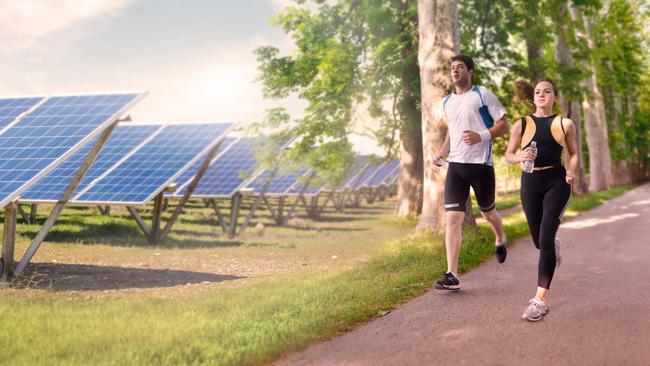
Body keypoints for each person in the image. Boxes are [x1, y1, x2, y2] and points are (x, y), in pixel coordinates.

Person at [431, 55, 510, 291]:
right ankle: (452, 275)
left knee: (489, 213)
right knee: (453, 218)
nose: (455, 71)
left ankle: (500, 237)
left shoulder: (482, 94)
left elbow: (503, 124)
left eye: (460, 67)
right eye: (452, 68)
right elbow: (451, 133)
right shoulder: (447, 102)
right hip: (456, 166)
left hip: (481, 165)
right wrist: (442, 153)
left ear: (470, 71)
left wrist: (481, 136)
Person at [504, 78, 578, 321]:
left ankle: (539, 300)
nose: (541, 95)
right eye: (537, 92)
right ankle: (551, 245)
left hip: (557, 182)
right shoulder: (522, 124)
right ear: (533, 97)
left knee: (545, 238)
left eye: (547, 91)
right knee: (538, 241)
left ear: (555, 97)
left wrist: (571, 170)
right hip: (530, 182)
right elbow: (508, 154)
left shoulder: (565, 123)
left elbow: (574, 153)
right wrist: (520, 156)